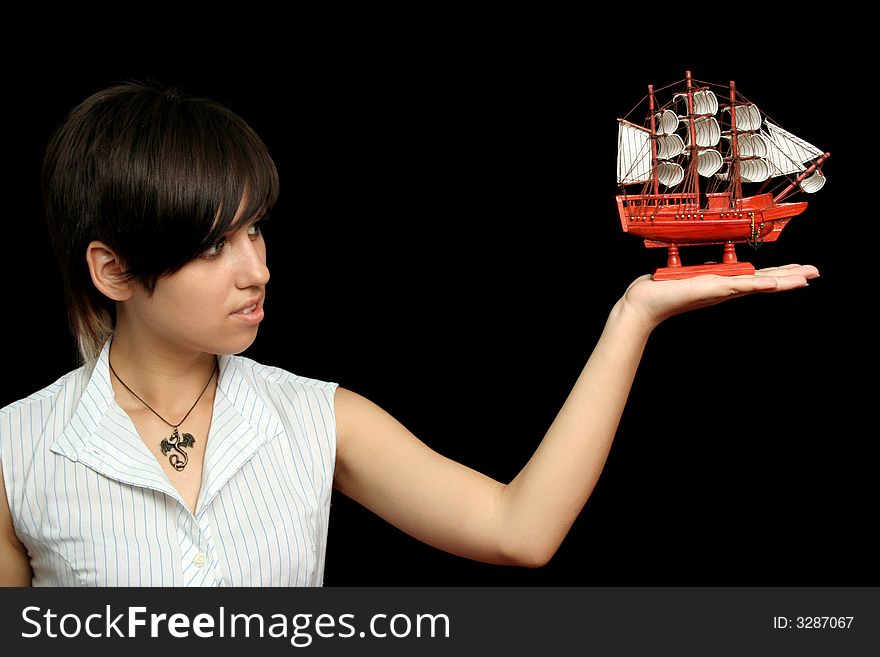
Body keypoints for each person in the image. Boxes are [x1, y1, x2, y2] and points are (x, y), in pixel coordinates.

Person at [0, 81, 818, 587]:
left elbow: (517, 529)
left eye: (257, 231)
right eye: (214, 244)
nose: (257, 270)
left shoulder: (317, 417)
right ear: (112, 271)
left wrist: (634, 314)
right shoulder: (15, 450)